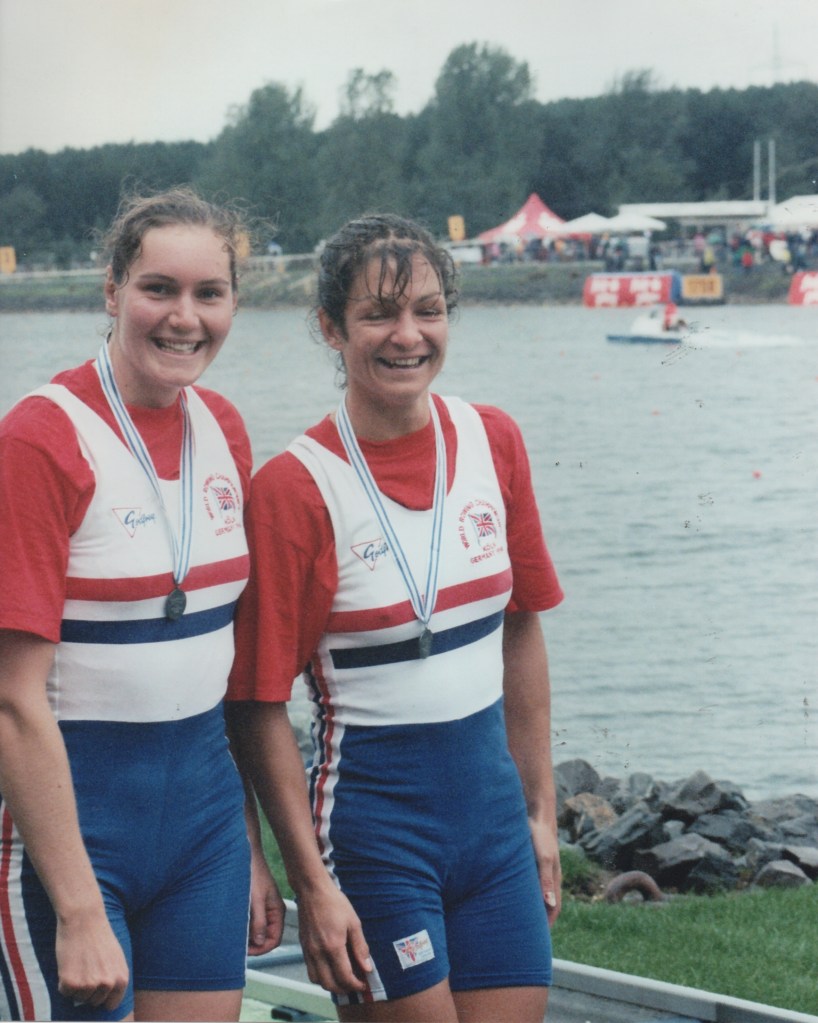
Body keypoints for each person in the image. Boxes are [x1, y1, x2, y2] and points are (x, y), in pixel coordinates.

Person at [228, 213, 564, 1022]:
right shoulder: (294, 488)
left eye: (428, 309)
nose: (407, 336)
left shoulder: (494, 441)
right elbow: (255, 703)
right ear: (331, 328)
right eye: (378, 313)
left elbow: (522, 628)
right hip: (378, 831)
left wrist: (541, 812)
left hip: (492, 825)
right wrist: (307, 878)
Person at [0, 187, 284, 1022]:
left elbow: (217, 671)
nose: (184, 317)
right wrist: (81, 909)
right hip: (69, 848)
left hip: (202, 840)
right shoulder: (39, 440)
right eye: (159, 288)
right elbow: (12, 700)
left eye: (210, 293)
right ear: (112, 290)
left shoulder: (223, 426)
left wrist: (249, 846)